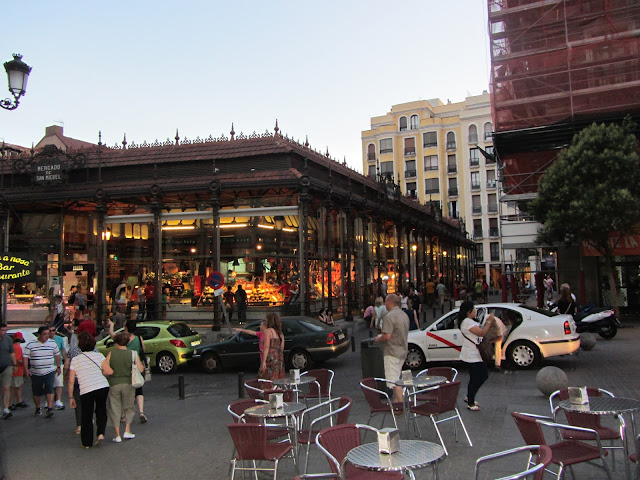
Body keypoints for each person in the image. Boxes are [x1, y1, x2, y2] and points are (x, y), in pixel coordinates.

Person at [67, 332, 113, 448]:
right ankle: (101, 433)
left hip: (86, 388)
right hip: (102, 386)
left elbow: (71, 380)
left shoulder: (76, 360)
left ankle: (87, 442)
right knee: (101, 410)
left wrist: (71, 396)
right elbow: (109, 371)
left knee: (86, 415)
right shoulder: (99, 356)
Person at [106, 331, 144, 442]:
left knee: (115, 407)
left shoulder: (111, 354)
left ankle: (117, 434)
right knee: (128, 407)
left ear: (116, 342)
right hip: (128, 383)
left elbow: (106, 370)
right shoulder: (133, 354)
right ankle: (127, 430)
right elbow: (141, 369)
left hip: (114, 383)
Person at [458, 301, 495, 411]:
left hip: (474, 353)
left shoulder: (469, 321)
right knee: (481, 376)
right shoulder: (467, 322)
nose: (475, 312)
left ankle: (470, 397)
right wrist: (489, 322)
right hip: (472, 354)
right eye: (473, 310)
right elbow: (481, 333)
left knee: (475, 377)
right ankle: (470, 401)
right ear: (468, 312)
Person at [109, 319, 147, 424]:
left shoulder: (123, 338)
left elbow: (112, 335)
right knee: (139, 389)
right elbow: (143, 349)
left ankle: (123, 415)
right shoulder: (139, 338)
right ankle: (141, 412)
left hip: (125, 365)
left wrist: (111, 325)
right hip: (136, 365)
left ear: (126, 327)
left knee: (125, 391)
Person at [374, 294, 408, 404]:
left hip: (392, 351)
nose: (385, 305)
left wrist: (378, 339)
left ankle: (400, 404)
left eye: (386, 302)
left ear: (390, 303)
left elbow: (387, 336)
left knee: (393, 380)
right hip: (402, 350)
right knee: (397, 377)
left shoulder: (390, 316)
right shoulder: (404, 315)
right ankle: (396, 402)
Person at [24, 326, 62, 418]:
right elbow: (25, 358)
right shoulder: (31, 344)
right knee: (37, 391)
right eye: (44, 334)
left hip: (49, 370)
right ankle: (38, 408)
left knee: (49, 388)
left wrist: (58, 366)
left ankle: (49, 408)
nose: (46, 336)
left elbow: (57, 355)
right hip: (36, 372)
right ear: (39, 335)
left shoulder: (52, 343)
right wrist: (26, 370)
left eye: (48, 334)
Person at [258, 313, 285, 381]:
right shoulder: (280, 333)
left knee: (266, 379)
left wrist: (263, 361)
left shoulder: (268, 331)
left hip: (271, 357)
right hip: (279, 358)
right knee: (278, 379)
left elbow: (266, 346)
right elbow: (281, 347)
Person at [0, 323, 17, 419]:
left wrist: (14, 364)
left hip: (7, 366)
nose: (4, 332)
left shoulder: (8, 340)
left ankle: (6, 408)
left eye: (5, 330)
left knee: (6, 387)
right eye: (3, 330)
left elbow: (12, 352)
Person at [48, 326, 67, 410]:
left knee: (59, 383)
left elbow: (63, 350)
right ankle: (49, 401)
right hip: (48, 364)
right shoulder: (46, 340)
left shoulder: (59, 339)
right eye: (50, 331)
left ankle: (58, 400)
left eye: (53, 330)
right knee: (49, 383)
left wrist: (66, 361)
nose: (52, 332)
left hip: (58, 363)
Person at [9, 332, 27, 411]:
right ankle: (12, 403)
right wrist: (22, 362)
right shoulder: (17, 347)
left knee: (18, 386)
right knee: (14, 387)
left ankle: (18, 401)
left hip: (18, 369)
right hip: (17, 369)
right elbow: (16, 359)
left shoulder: (16, 347)